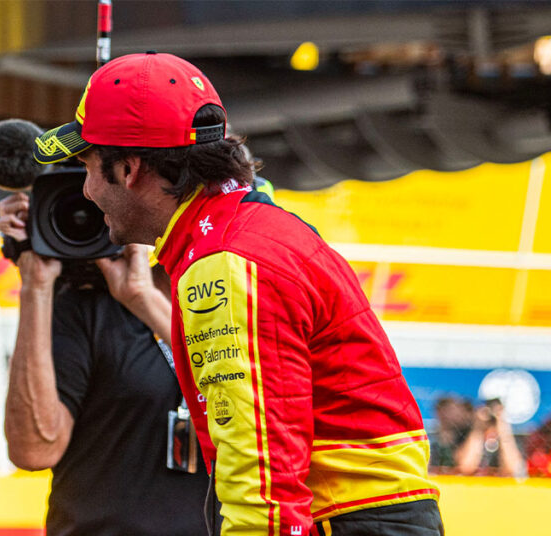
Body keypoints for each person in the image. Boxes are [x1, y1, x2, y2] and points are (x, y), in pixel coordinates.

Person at [32, 52, 443, 535]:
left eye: (86, 166)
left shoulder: (225, 263)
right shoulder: (253, 228)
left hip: (346, 521)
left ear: (128, 169)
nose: (84, 191)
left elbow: (263, 483)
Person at [0, 191, 210, 535]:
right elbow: (34, 451)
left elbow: (261, 409)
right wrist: (36, 285)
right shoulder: (88, 307)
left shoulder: (251, 312)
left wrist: (144, 299)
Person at [455, 398, 525, 477]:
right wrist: (478, 429)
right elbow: (466, 468)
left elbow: (513, 469)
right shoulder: (466, 435)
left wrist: (503, 428)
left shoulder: (512, 439)